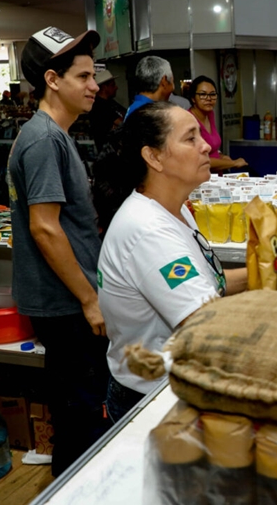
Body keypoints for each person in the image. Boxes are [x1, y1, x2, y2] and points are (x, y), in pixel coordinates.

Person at [93, 100, 249, 422]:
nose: (206, 146)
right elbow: (204, 325)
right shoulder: (148, 231)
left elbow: (208, 286)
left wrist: (272, 269)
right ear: (154, 157)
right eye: (190, 138)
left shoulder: (173, 210)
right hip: (152, 399)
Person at [7, 25, 110, 477]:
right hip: (65, 304)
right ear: (52, 80)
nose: (94, 86)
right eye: (84, 77)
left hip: (68, 300)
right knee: (80, 416)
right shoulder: (45, 139)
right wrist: (89, 298)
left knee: (79, 410)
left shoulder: (54, 134)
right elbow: (45, 229)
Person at [186, 75, 249, 173]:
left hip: (216, 177)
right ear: (193, 98)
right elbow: (197, 160)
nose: (209, 99)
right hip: (200, 178)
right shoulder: (188, 120)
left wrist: (222, 157)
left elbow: (212, 149)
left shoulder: (210, 114)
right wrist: (233, 163)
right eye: (203, 94)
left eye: (212, 94)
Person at [126, 55, 174, 119]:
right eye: (172, 80)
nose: (173, 87)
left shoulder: (137, 108)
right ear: (164, 81)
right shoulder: (148, 113)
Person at [88, 68, 126, 148]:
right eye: (113, 85)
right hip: (109, 152)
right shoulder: (99, 106)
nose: (116, 87)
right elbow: (122, 123)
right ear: (104, 87)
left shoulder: (111, 102)